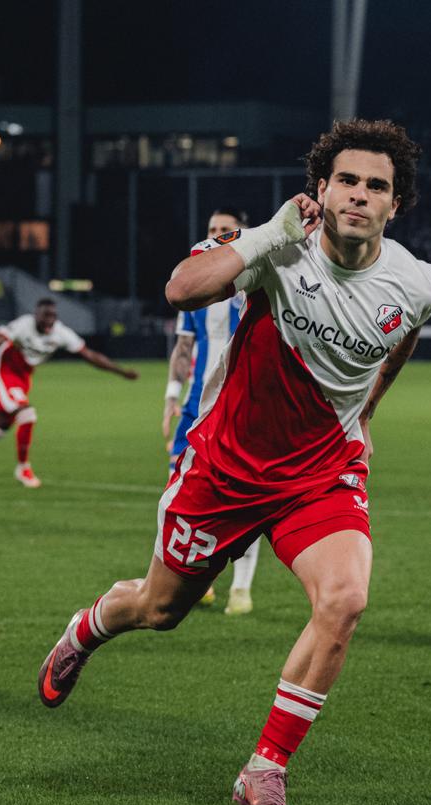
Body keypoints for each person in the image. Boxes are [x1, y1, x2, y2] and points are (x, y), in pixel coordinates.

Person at [36, 119, 431, 805]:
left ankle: (265, 767)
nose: (359, 195)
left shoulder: (417, 284)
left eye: (376, 186)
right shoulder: (278, 248)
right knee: (160, 609)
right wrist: (267, 235)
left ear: (396, 204)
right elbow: (180, 289)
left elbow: (401, 338)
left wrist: (369, 411)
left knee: (345, 599)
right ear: (321, 189)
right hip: (226, 470)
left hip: (321, 472)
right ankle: (86, 628)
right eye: (347, 181)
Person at [163, 207, 261, 615]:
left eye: (225, 229)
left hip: (242, 403)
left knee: (245, 497)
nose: (216, 234)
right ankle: (196, 579)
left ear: (240, 233)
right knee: (181, 491)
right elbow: (184, 347)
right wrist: (171, 396)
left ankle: (241, 588)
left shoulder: (256, 279)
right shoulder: (195, 286)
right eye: (211, 229)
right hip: (195, 405)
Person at [0, 298, 138, 487]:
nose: (49, 320)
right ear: (36, 315)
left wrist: (121, 372)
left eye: (52, 316)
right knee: (27, 413)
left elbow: (89, 355)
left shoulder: (61, 333)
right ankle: (23, 469)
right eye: (45, 315)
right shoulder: (24, 325)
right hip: (4, 373)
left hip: (23, 379)